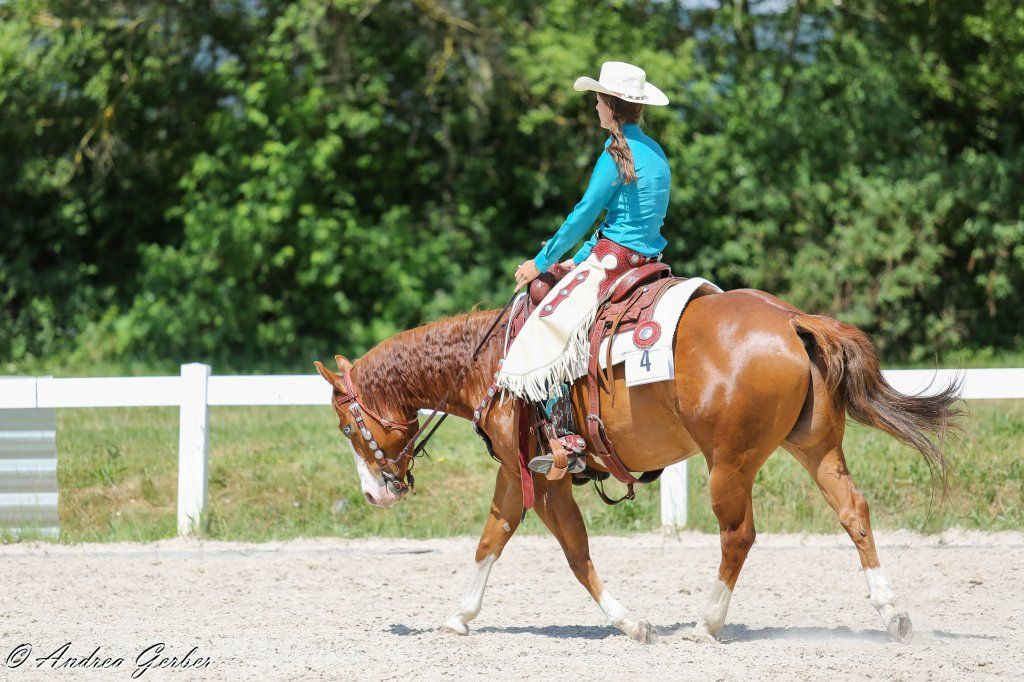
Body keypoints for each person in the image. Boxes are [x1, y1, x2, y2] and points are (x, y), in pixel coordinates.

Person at [495, 61, 671, 477]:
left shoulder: (615, 154)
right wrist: (576, 258)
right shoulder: (655, 151)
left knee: (546, 311)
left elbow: (582, 214)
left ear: (610, 105)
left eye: (597, 100)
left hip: (615, 260)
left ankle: (566, 435)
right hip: (645, 259)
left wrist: (540, 263)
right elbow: (622, 218)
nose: (594, 107)